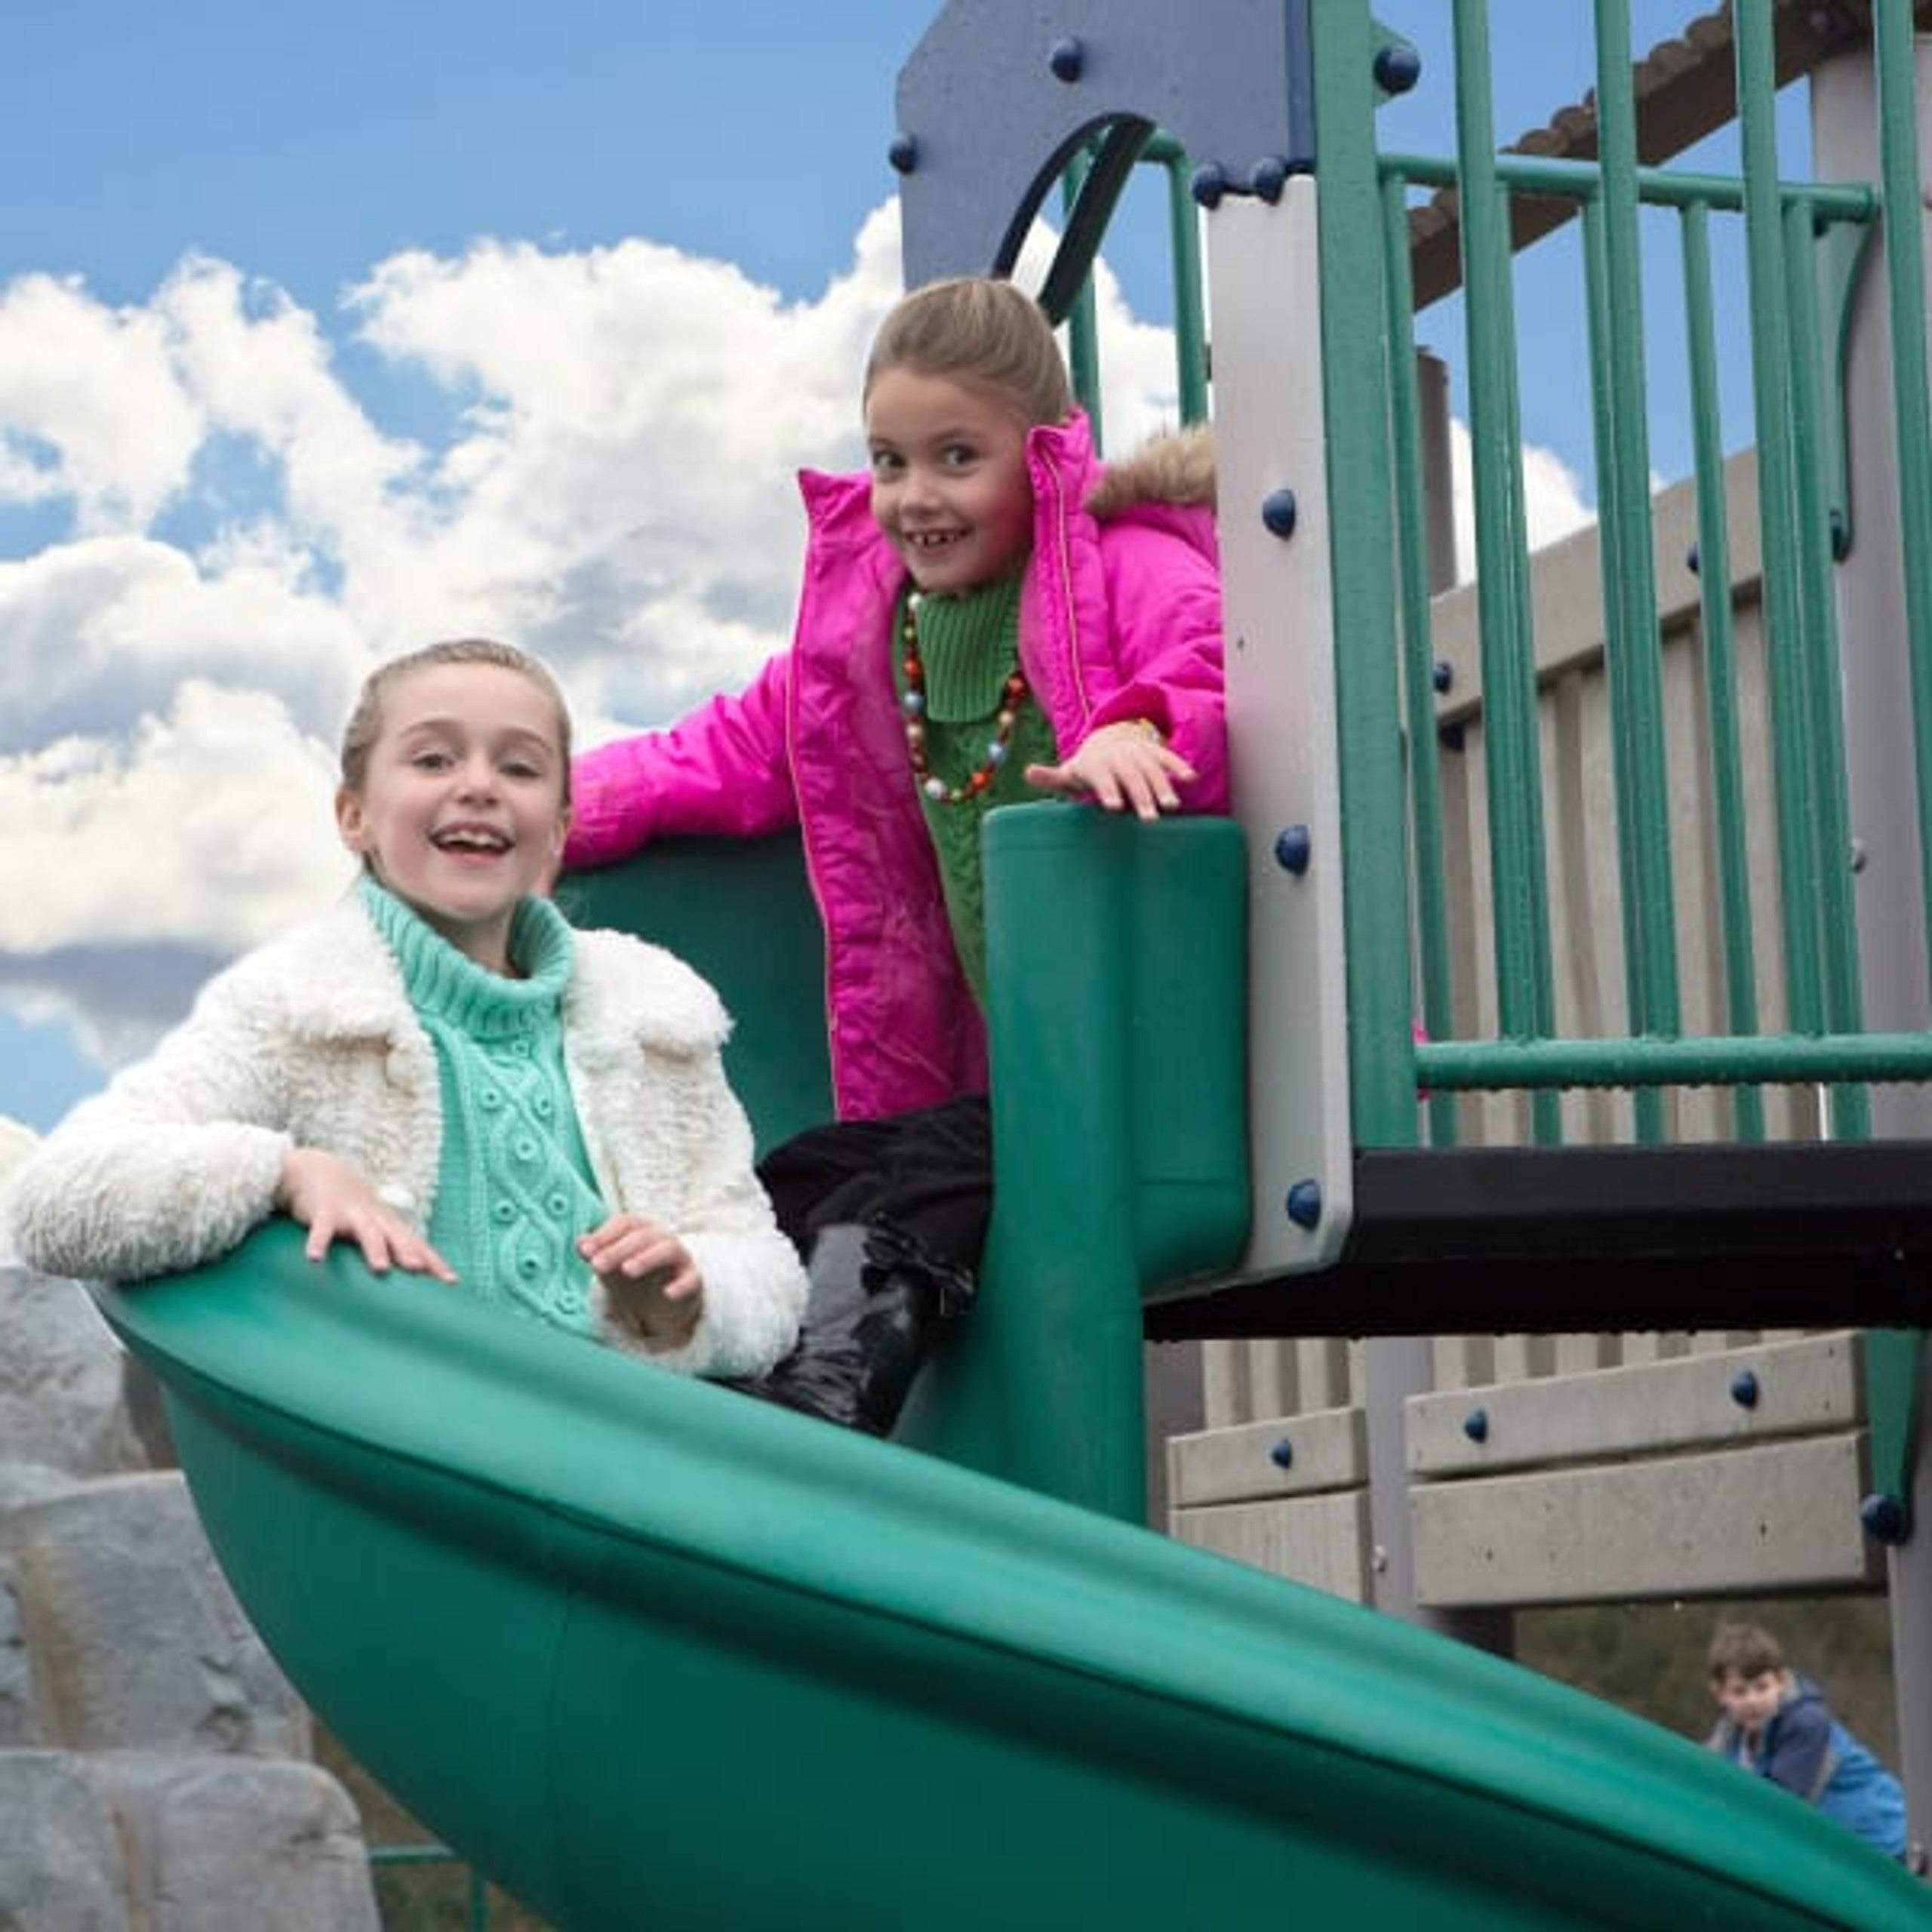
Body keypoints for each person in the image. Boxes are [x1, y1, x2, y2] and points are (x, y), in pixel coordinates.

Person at [563, 274, 1225, 1436]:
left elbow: (1219, 670)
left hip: (1173, 1062)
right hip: (1022, 1084)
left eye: (955, 457)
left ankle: (829, 1408)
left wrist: (1144, 725)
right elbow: (721, 751)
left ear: (1044, 454)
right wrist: (543, 810)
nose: (915, 496)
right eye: (888, 461)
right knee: (808, 1178)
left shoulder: (1128, 569)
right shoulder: (877, 638)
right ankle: (718, 1393)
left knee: (934, 1183)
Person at [7, 638, 808, 1384]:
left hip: (627, 1459)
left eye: (522, 769)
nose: (479, 785)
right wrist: (282, 1171)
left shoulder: (652, 1018)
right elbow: (57, 1201)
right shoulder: (300, 1008)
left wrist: (691, 1296)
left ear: (560, 832)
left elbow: (765, 1265)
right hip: (418, 1448)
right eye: (433, 757)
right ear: (353, 816)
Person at [1704, 1620, 1912, 1863]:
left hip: (1888, 1839)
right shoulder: (1731, 1737)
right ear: (1719, 1693)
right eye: (1740, 1691)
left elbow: (1776, 1804)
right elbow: (1710, 1776)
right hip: (1848, 1852)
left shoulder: (1805, 1724)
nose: (1753, 1700)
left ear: (1781, 1681)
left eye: (1762, 1688)